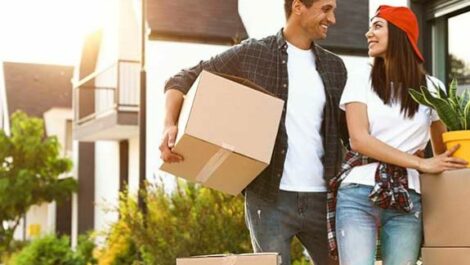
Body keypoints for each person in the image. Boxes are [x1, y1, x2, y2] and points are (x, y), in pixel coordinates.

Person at [159, 0, 347, 264]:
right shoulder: (254, 54)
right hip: (269, 198)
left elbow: (349, 134)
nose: (333, 18)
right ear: (298, 7)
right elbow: (181, 79)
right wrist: (170, 125)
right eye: (326, 9)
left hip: (323, 198)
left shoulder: (335, 67)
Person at [326, 5, 468, 265]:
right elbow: (360, 140)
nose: (369, 33)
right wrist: (418, 162)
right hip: (358, 193)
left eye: (377, 26)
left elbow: (442, 153)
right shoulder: (361, 78)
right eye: (370, 26)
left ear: (400, 34)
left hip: (408, 197)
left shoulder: (433, 89)